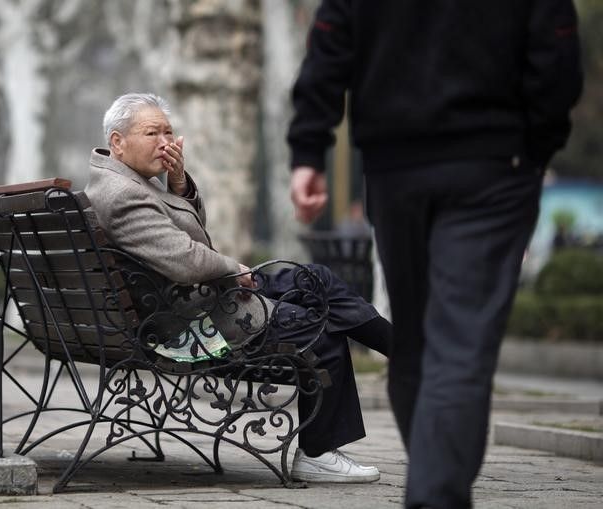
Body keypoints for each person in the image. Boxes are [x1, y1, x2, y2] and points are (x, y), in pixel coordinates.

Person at [286, 1, 583, 507]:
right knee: (457, 344)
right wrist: (534, 147)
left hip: (397, 168)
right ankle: (437, 493)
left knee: (421, 344)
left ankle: (436, 483)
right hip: (492, 165)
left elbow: (330, 43)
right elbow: (556, 49)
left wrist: (309, 150)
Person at [85, 92, 392, 483]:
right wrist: (233, 270)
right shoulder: (124, 194)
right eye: (152, 133)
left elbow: (184, 239)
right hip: (189, 326)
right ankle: (317, 453)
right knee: (319, 327)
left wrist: (178, 185)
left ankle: (404, 351)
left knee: (314, 280)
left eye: (169, 131)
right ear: (118, 141)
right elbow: (185, 260)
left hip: (186, 305)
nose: (165, 142)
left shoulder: (119, 181)